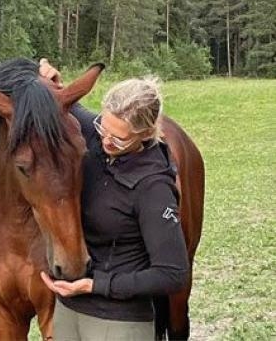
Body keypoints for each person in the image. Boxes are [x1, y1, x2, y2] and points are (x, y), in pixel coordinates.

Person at [37, 59, 189, 340]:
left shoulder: (153, 186)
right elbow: (69, 109)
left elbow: (173, 274)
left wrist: (94, 286)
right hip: (69, 312)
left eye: (118, 139)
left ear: (145, 134)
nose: (106, 142)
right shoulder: (99, 137)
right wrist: (52, 85)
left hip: (119, 322)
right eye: (103, 129)